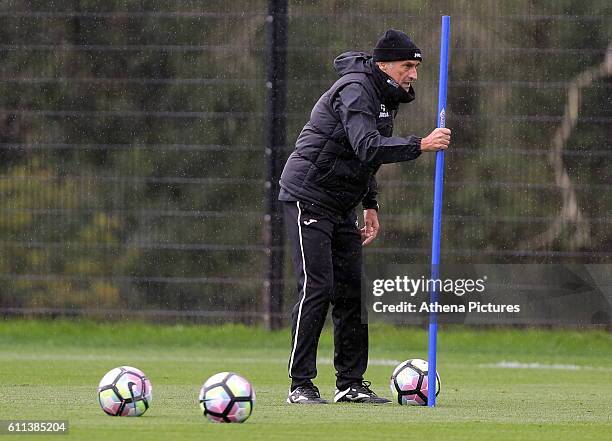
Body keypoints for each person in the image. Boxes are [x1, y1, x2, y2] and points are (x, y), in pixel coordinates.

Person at [278, 29, 451, 404]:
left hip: (342, 203)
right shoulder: (357, 89)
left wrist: (370, 204)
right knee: (317, 287)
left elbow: (365, 158)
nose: (414, 75)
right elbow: (368, 144)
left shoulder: (386, 96)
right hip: (308, 196)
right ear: (383, 64)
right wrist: (420, 144)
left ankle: (351, 384)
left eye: (417, 67)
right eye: (408, 66)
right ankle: (301, 384)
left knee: (352, 294)